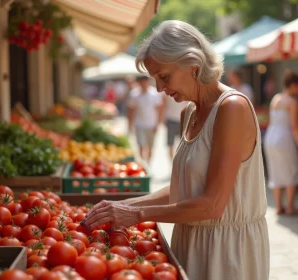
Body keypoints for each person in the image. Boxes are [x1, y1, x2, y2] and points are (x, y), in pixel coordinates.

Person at [83, 20, 269, 280]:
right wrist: (122, 205)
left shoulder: (232, 108)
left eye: (164, 77)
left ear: (193, 64)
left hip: (226, 250)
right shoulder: (189, 111)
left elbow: (213, 205)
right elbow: (183, 189)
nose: (159, 88)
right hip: (191, 239)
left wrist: (136, 213)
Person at [264, 70, 298, 216]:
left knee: (275, 170)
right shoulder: (293, 102)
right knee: (290, 169)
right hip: (284, 137)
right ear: (293, 85)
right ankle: (290, 207)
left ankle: (278, 206)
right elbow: (295, 126)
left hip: (270, 136)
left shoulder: (276, 98)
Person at [127, 76, 163, 162]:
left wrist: (158, 124)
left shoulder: (155, 94)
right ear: (139, 83)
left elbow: (160, 110)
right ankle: (143, 163)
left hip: (151, 124)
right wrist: (130, 125)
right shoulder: (134, 94)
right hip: (139, 124)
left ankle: (148, 162)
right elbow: (131, 110)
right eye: (141, 82)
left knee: (150, 147)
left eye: (145, 82)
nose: (143, 84)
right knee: (141, 146)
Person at [163, 94, 188, 160]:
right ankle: (172, 163)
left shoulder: (185, 91)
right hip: (171, 120)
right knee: (170, 144)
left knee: (183, 144)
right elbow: (164, 105)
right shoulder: (168, 92)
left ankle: (180, 161)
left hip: (183, 120)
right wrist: (164, 118)